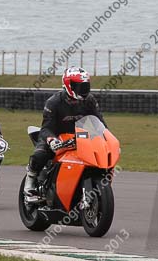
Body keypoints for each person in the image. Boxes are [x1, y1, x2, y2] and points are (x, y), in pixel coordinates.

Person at [24, 67, 106, 200]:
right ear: (69, 85)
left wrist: (105, 137)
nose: (83, 90)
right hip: (56, 138)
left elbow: (99, 122)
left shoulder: (89, 100)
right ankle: (30, 182)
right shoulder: (53, 102)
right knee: (40, 154)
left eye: (85, 86)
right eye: (80, 86)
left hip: (80, 138)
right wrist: (52, 140)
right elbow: (46, 128)